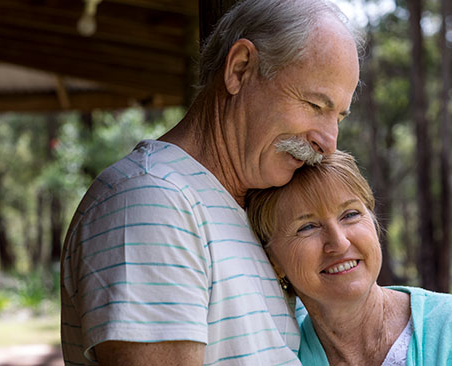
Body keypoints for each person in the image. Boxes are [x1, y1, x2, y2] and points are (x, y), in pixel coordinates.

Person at [60, 0, 361, 365]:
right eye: (315, 105)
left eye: (339, 116)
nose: (329, 142)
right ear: (240, 69)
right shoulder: (151, 201)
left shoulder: (241, 204)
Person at [245, 150, 452, 366]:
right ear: (273, 260)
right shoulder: (277, 353)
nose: (339, 241)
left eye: (350, 214)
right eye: (307, 226)